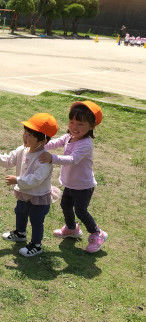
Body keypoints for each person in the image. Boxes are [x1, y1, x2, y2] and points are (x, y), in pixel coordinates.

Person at [0, 113, 58, 257]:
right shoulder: (22, 150)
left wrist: (18, 180)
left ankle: (36, 245)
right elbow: (10, 160)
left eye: (30, 135)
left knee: (36, 221)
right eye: (25, 132)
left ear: (42, 141)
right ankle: (20, 233)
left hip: (38, 197)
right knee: (20, 212)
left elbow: (36, 179)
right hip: (24, 194)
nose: (25, 137)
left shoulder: (44, 158)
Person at [39, 101, 108, 253]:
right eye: (72, 122)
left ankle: (97, 233)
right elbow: (57, 141)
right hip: (70, 183)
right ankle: (71, 229)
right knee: (65, 206)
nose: (75, 127)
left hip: (83, 186)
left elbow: (72, 160)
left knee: (81, 211)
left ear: (91, 126)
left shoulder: (86, 144)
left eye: (80, 124)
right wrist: (41, 145)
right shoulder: (69, 136)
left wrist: (52, 158)